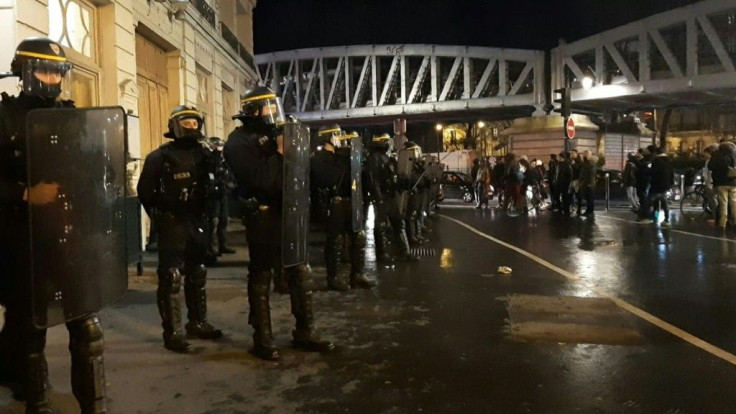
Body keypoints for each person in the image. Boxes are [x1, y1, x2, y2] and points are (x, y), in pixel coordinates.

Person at [0, 37, 107, 413]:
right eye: (44, 70)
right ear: (25, 72)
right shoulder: (4, 117)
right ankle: (36, 400)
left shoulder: (71, 116)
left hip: (67, 236)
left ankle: (94, 405)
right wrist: (24, 193)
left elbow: (88, 169)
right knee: (31, 330)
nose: (51, 78)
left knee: (87, 325)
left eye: (57, 71)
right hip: (21, 240)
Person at [224, 86, 334, 360]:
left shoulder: (275, 135)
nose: (273, 113)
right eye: (267, 108)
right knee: (262, 278)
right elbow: (260, 179)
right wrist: (281, 153)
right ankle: (262, 338)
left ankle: (305, 331)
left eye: (275, 107)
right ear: (252, 111)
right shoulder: (239, 142)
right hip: (263, 216)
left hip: (289, 214)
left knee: (299, 273)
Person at [137, 105, 224, 353]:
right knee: (171, 277)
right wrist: (161, 215)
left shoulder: (205, 153)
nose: (192, 127)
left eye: (195, 123)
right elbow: (146, 192)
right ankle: (173, 332)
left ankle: (198, 321)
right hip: (173, 221)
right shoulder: (159, 157)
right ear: (175, 126)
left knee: (198, 272)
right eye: (187, 123)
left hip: (198, 220)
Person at [311, 126, 374, 291]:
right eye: (337, 135)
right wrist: (342, 160)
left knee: (358, 236)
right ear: (328, 138)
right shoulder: (319, 158)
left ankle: (357, 274)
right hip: (334, 203)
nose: (341, 138)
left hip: (350, 201)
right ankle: (334, 277)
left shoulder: (341, 157)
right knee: (335, 241)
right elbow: (328, 179)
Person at [365, 134, 418, 262]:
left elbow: (393, 177)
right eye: (387, 141)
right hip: (382, 196)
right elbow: (374, 180)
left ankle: (405, 251)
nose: (389, 144)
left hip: (390, 195)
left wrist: (402, 183)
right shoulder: (374, 159)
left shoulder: (387, 159)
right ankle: (382, 254)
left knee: (399, 223)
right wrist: (378, 198)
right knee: (381, 226)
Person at [205, 137, 235, 258]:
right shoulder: (211, 159)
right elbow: (210, 175)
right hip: (213, 194)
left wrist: (229, 184)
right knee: (214, 221)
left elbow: (228, 174)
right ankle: (212, 247)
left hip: (222, 193)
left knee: (224, 220)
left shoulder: (224, 160)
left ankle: (223, 245)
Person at [708, 141, 736, 230]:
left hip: (720, 183)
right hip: (733, 182)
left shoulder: (716, 156)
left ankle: (722, 223)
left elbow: (710, 167)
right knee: (734, 203)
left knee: (723, 203)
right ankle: (735, 221)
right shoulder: (733, 155)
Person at [648, 146, 674, 226]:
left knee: (652, 201)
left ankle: (654, 217)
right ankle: (666, 219)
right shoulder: (668, 161)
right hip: (665, 185)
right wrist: (670, 184)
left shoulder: (656, 161)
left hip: (656, 185)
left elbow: (653, 173)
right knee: (664, 202)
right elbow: (671, 173)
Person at [578, 150, 597, 217]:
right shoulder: (586, 163)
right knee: (587, 198)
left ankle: (590, 211)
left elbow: (591, 174)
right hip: (585, 183)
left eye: (584, 154)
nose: (583, 155)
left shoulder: (591, 163)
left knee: (590, 198)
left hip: (589, 183)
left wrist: (589, 183)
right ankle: (588, 211)